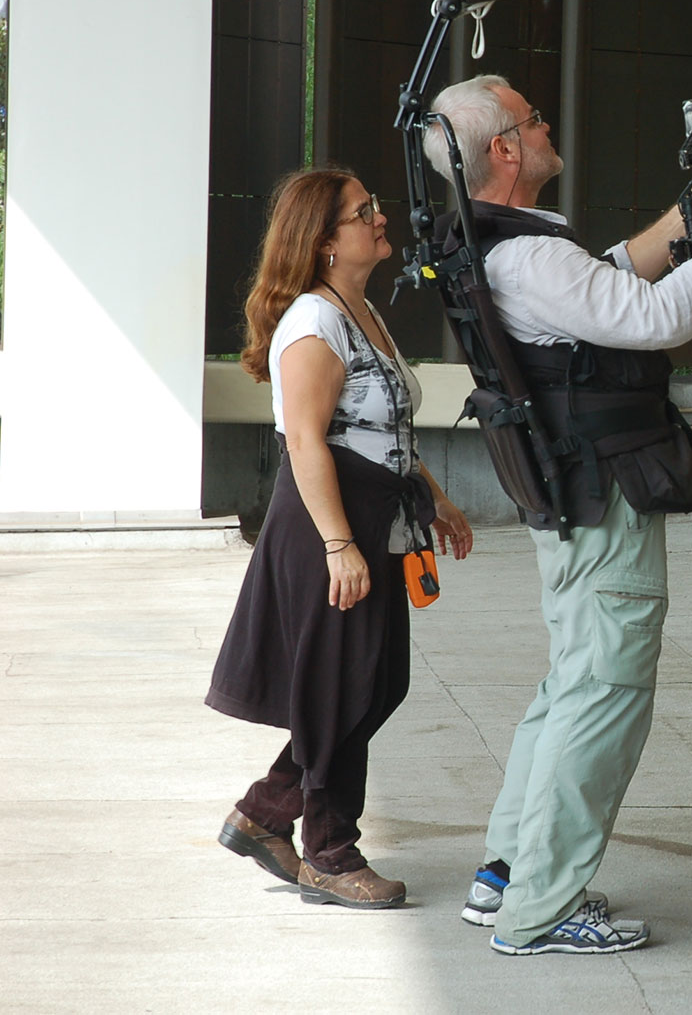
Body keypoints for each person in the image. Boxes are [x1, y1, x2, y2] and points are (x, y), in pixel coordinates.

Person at [423, 74, 692, 955]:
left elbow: (600, 288)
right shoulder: (527, 254)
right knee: (604, 696)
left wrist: (690, 225)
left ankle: (506, 874)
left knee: (570, 685)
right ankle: (540, 910)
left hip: (570, 492)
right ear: (507, 151)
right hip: (603, 497)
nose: (549, 121)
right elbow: (654, 317)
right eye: (534, 117)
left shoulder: (501, 245)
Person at [208, 169, 473, 909]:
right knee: (341, 688)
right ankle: (327, 850)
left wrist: (437, 499)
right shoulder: (313, 322)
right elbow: (305, 438)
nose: (381, 218)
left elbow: (381, 426)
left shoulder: (359, 310)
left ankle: (265, 812)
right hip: (329, 520)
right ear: (326, 243)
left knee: (374, 683)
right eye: (365, 212)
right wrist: (337, 544)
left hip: (373, 513)